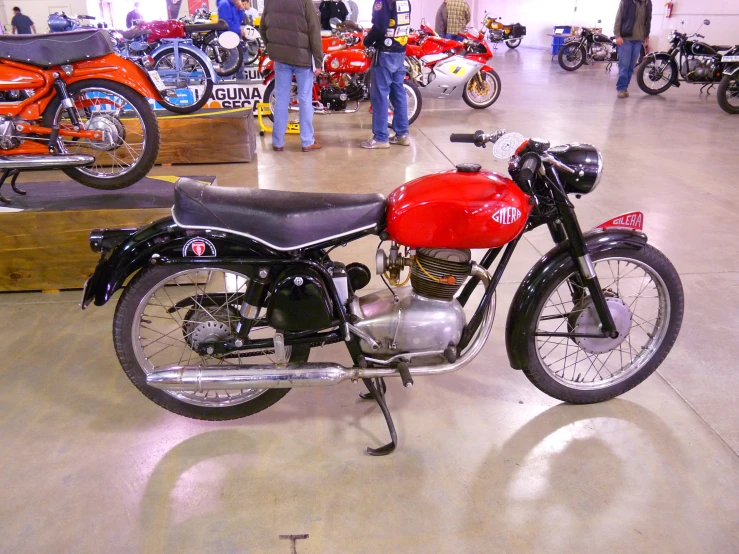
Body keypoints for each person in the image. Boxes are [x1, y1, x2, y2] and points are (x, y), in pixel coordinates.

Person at [260, 0, 323, 152]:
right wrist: (318, 60)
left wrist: (271, 47)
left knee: (281, 99)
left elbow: (263, 28)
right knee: (304, 99)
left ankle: (278, 142)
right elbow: (314, 30)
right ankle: (307, 141)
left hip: (280, 58)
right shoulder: (304, 2)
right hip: (303, 58)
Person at [361, 0, 411, 149]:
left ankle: (381, 137)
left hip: (385, 53)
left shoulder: (383, 1)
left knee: (380, 95)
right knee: (398, 93)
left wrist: (367, 41)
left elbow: (380, 27)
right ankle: (402, 134)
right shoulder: (405, 1)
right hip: (400, 51)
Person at [614, 0, 652, 98]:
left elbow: (648, 20)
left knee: (631, 66)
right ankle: (621, 88)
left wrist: (647, 35)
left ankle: (625, 87)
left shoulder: (647, 3)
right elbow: (619, 18)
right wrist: (617, 35)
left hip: (639, 39)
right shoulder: (626, 1)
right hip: (626, 38)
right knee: (624, 65)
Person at [218, 0, 246, 79]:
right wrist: (239, 31)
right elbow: (226, 23)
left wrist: (240, 9)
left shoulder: (232, 5)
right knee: (233, 59)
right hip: (227, 36)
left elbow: (239, 20)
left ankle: (241, 80)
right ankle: (226, 81)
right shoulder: (224, 4)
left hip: (233, 35)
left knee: (239, 61)